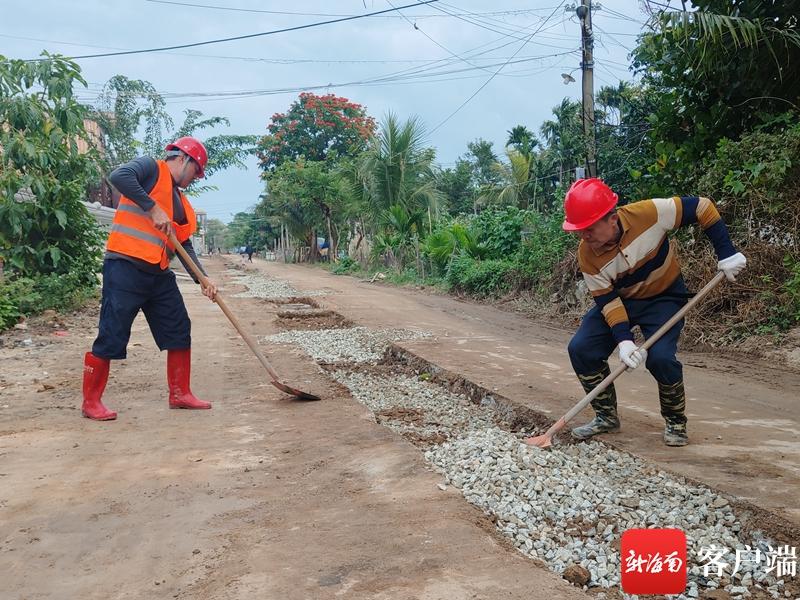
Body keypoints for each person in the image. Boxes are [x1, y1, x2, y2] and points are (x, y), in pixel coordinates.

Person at [556, 178, 746, 446]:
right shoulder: (587, 255)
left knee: (661, 358)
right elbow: (608, 301)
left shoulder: (650, 213)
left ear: (611, 218)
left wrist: (726, 253)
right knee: (581, 348)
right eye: (579, 230)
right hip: (622, 301)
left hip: (664, 298)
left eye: (589, 228)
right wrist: (624, 340)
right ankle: (606, 416)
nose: (584, 236)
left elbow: (703, 207)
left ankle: (676, 422)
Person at [81, 136, 219, 421]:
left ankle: (180, 393)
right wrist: (151, 207)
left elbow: (185, 245)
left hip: (158, 274)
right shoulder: (150, 168)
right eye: (196, 171)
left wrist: (203, 279)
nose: (195, 179)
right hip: (125, 267)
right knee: (112, 333)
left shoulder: (181, 203)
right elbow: (119, 176)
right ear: (183, 159)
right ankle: (91, 402)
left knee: (178, 327)